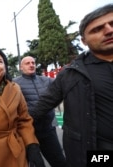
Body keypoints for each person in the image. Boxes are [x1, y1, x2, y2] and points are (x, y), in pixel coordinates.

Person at [30, 3, 113, 167]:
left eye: (112, 24)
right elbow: (40, 107)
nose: (109, 30)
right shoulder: (70, 74)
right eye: (97, 29)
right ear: (84, 40)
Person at [13, 56, 67, 167]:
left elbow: (63, 85)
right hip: (29, 132)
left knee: (60, 162)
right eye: (27, 63)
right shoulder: (14, 84)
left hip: (48, 131)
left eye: (33, 62)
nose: (31, 65)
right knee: (36, 164)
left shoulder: (46, 80)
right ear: (21, 67)